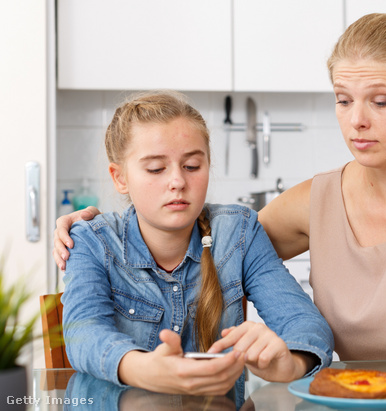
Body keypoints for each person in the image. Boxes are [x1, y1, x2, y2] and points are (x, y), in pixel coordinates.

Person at [54, 13, 386, 366]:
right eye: (343, 100)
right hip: (362, 398)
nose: (357, 120)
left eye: (380, 101)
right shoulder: (317, 201)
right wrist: (107, 228)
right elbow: (212, 241)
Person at [58, 90, 333, 405]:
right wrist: (142, 368)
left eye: (191, 165)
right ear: (120, 178)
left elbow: (306, 325)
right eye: (156, 169)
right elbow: (83, 336)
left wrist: (292, 362)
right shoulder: (92, 242)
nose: (177, 181)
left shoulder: (239, 232)